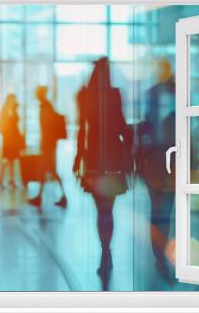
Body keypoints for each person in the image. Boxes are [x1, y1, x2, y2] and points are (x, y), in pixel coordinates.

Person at [73, 57, 129, 291]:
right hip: (113, 157)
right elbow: (121, 126)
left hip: (94, 157)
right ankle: (107, 251)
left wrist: (78, 158)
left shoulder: (85, 95)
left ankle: (104, 252)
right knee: (109, 210)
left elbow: (81, 128)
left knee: (100, 211)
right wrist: (130, 156)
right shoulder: (114, 94)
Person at [137, 59, 176, 284]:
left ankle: (159, 255)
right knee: (163, 211)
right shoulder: (173, 93)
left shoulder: (154, 94)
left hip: (159, 160)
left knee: (160, 211)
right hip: (162, 160)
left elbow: (147, 126)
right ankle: (159, 255)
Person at [28, 85, 67, 207]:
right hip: (49, 143)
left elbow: (47, 128)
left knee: (49, 170)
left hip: (48, 144)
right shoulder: (46, 105)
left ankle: (63, 196)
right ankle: (40, 197)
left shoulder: (45, 106)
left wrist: (45, 143)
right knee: (45, 171)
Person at [0, 94, 24, 189]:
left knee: (11, 160)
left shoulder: (13, 110)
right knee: (8, 159)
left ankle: (10, 180)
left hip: (13, 139)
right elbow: (6, 125)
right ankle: (1, 178)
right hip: (8, 139)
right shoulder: (5, 111)